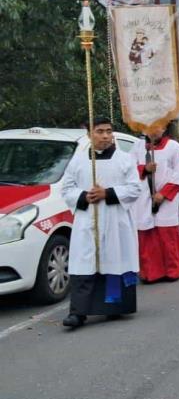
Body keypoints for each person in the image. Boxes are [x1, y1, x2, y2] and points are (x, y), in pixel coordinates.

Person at [61, 117, 142, 328]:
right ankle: (78, 313)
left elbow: (135, 189)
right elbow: (67, 189)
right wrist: (84, 196)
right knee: (84, 262)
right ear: (89, 134)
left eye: (108, 131)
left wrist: (107, 193)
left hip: (115, 220)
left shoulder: (124, 160)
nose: (105, 136)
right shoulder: (78, 161)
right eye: (99, 131)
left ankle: (114, 306)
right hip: (87, 220)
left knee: (114, 259)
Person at [132, 123, 179, 283]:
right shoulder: (137, 147)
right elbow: (128, 169)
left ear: (164, 128)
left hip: (166, 199)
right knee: (147, 237)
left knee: (167, 236)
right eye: (149, 126)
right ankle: (150, 273)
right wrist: (144, 169)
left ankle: (172, 271)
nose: (154, 130)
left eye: (158, 126)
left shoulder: (173, 147)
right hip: (143, 198)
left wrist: (164, 194)